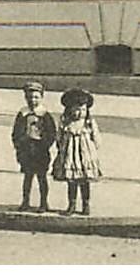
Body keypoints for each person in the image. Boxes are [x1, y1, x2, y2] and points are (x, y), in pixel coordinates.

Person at [52, 88, 101, 216]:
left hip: (84, 157)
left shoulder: (88, 123)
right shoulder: (65, 123)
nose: (80, 113)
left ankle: (86, 204)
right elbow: (59, 137)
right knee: (71, 181)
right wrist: (61, 150)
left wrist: (93, 152)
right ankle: (72, 204)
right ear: (69, 110)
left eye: (83, 109)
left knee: (84, 181)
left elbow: (96, 139)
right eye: (76, 109)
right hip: (70, 157)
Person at [11, 80, 58, 212]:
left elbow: (51, 133)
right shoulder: (23, 114)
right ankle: (25, 201)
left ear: (42, 98)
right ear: (25, 98)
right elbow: (16, 131)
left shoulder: (45, 115)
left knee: (41, 177)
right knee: (28, 176)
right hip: (26, 148)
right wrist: (19, 144)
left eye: (36, 97)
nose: (33, 100)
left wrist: (45, 144)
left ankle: (44, 203)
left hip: (40, 149)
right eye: (30, 97)